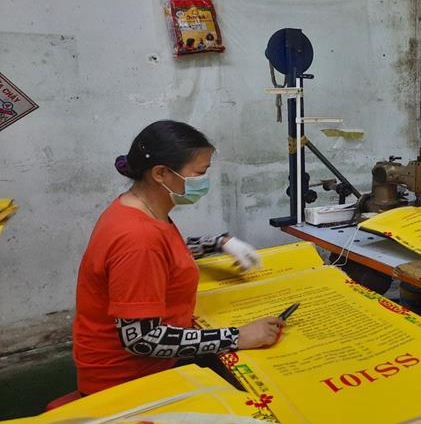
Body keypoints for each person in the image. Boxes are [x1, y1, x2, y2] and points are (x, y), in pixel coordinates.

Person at [73, 120, 284, 395]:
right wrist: (237, 336)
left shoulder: (135, 208)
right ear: (161, 173)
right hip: (125, 381)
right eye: (200, 173)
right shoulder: (138, 238)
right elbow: (141, 339)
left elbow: (162, 256)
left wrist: (217, 243)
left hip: (147, 367)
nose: (204, 182)